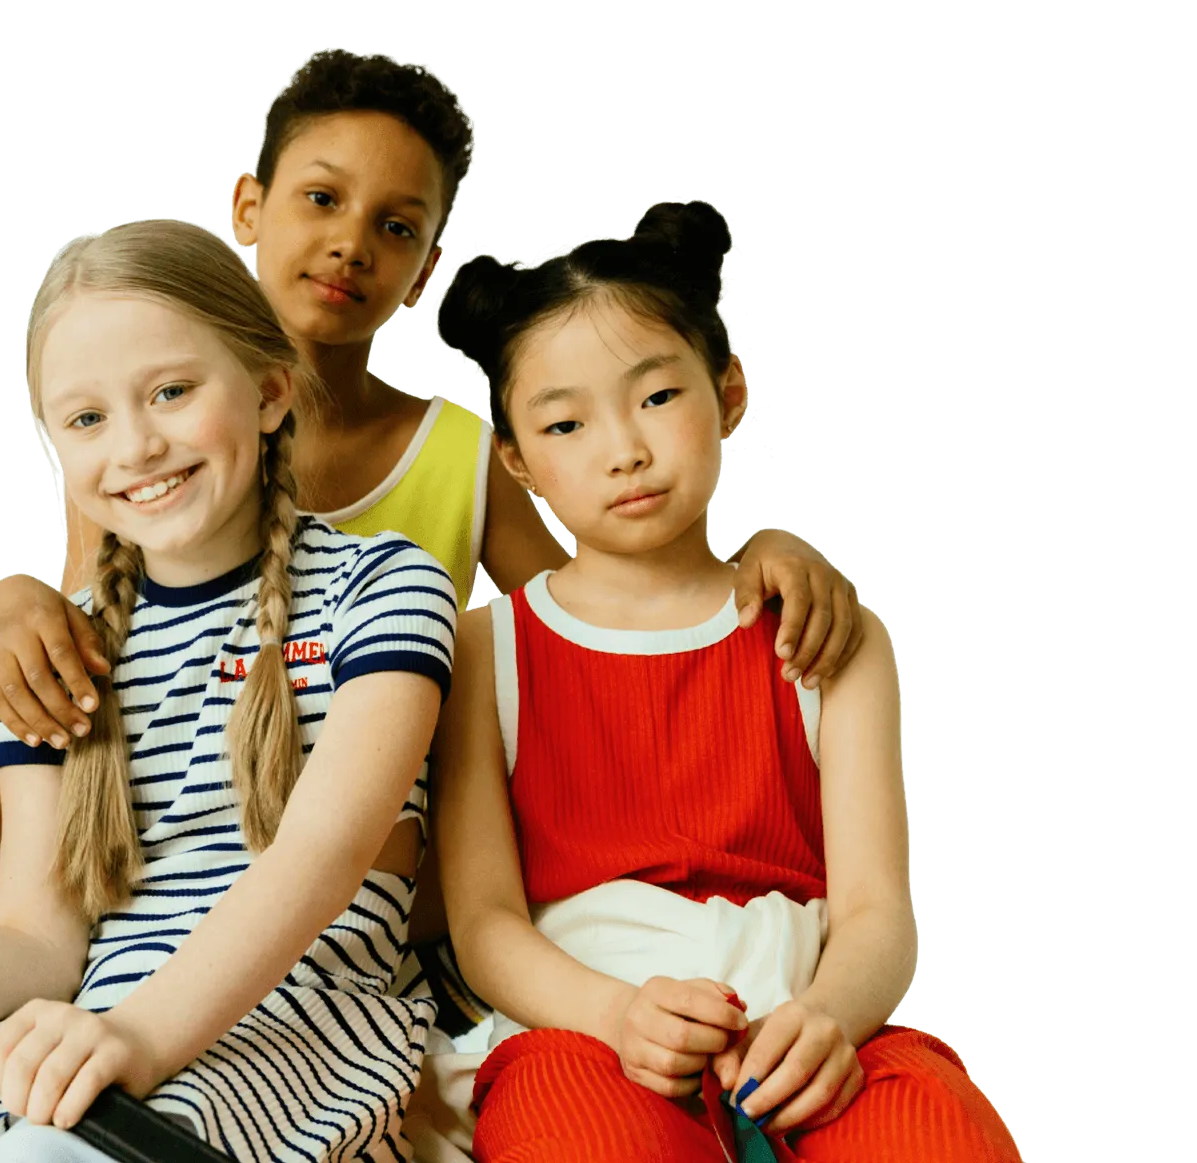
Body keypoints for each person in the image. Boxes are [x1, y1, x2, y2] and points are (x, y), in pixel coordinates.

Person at [0, 52, 866, 1032]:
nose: (349, 244)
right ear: (249, 206)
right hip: (183, 805)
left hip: (384, 845)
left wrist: (763, 548)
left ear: (423, 268)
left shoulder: (457, 452)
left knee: (367, 819)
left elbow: (599, 633)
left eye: (395, 226)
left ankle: (376, 1013)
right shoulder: (143, 431)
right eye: (321, 200)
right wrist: (13, 595)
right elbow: (104, 651)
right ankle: (83, 991)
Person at [0, 218, 460, 1162]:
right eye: (86, 419)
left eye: (173, 391)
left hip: (294, 1040)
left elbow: (322, 853)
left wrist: (142, 1036)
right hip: (74, 1031)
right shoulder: (66, 648)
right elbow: (36, 948)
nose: (138, 445)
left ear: (271, 391)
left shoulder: (384, 587)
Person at [429, 199, 1021, 1160]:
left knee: (936, 1134)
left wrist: (830, 1017)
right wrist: (616, 1014)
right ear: (518, 460)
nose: (623, 447)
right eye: (566, 423)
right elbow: (487, 923)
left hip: (813, 1019)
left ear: (730, 391)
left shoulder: (830, 635)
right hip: (588, 1031)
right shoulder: (485, 652)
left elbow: (876, 910)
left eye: (657, 397)